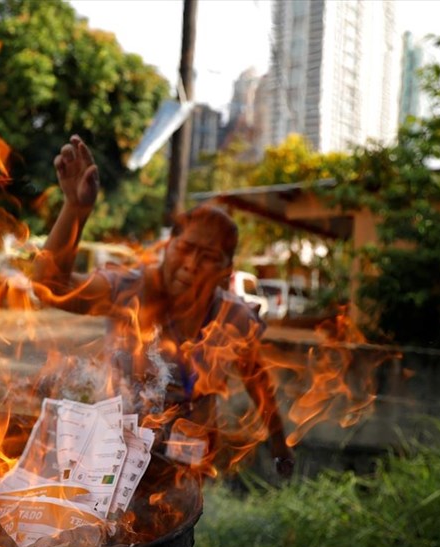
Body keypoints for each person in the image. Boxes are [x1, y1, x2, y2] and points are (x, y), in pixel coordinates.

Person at [33, 135, 294, 478]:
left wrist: (279, 444)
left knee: (180, 528)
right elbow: (50, 287)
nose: (190, 265)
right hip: (115, 459)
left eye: (208, 258)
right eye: (184, 249)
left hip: (188, 465)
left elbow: (257, 382)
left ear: (225, 272)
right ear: (167, 247)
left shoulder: (234, 318)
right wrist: (75, 209)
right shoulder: (131, 289)